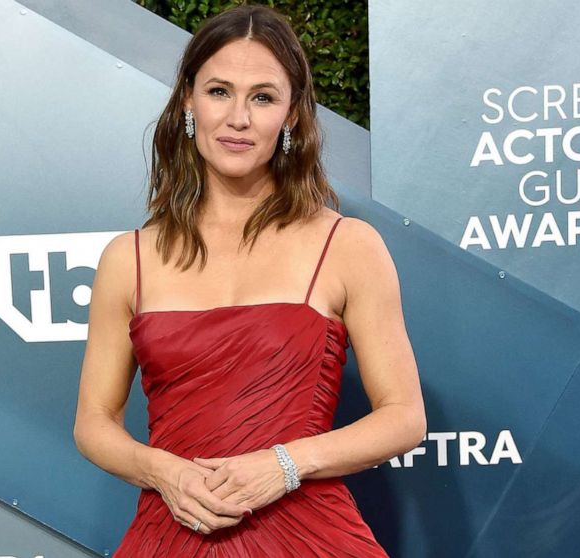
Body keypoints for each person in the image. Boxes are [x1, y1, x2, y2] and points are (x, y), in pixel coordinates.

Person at [74, 5, 425, 556]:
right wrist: (163, 472)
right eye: (219, 91)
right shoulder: (130, 258)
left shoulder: (347, 246)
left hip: (309, 536)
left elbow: (404, 417)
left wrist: (284, 465)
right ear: (188, 101)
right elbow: (94, 422)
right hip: (173, 531)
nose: (238, 117)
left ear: (290, 117)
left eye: (262, 97)